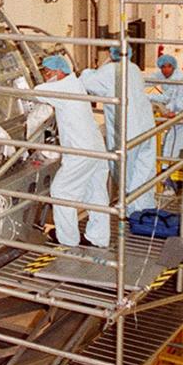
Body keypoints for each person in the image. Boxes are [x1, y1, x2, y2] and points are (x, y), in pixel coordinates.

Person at [36, 54, 110, 248]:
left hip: (81, 151)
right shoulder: (74, 84)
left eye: (48, 73)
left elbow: (36, 92)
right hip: (96, 147)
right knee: (96, 193)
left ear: (60, 72)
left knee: (61, 192)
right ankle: (99, 238)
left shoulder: (64, 86)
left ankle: (67, 240)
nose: (46, 76)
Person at [80, 46, 157, 212]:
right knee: (144, 171)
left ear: (111, 54)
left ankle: (133, 212)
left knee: (126, 173)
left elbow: (86, 83)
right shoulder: (134, 68)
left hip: (127, 132)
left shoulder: (111, 70)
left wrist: (90, 70)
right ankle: (146, 208)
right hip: (146, 127)